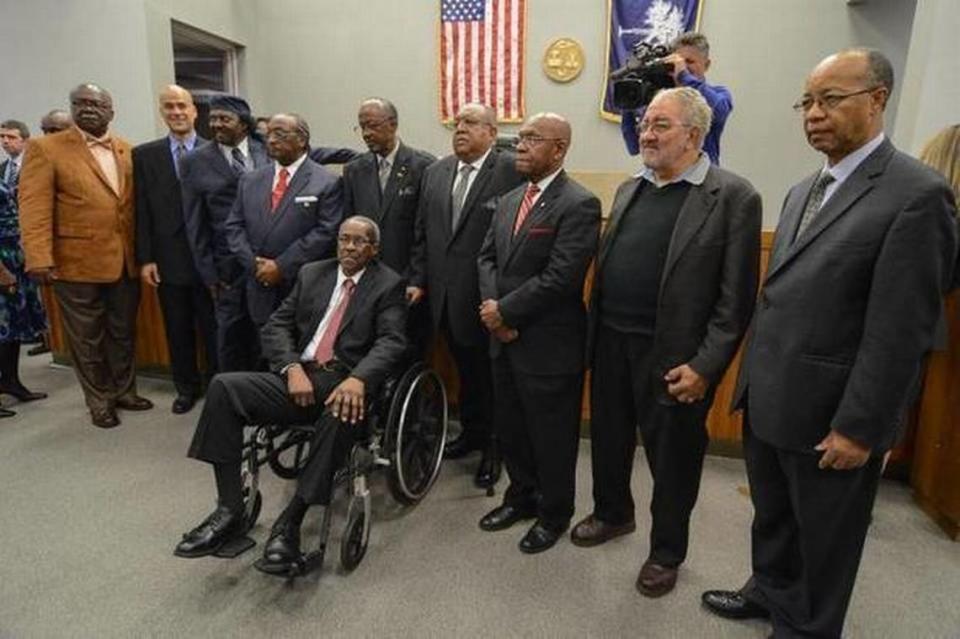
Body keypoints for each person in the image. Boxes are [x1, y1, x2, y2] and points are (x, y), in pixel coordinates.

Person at [701, 49, 959, 638]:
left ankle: (807, 628)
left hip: (833, 411)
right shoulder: (801, 189)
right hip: (772, 396)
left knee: (825, 538)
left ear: (877, 99)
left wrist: (862, 428)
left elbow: (902, 329)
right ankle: (768, 590)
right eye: (808, 102)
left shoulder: (917, 194)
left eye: (831, 99)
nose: (814, 114)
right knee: (774, 518)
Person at [571, 87, 761, 597]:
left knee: (673, 462)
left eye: (660, 126)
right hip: (611, 343)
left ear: (694, 135)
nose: (646, 134)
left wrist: (705, 366)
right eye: (646, 123)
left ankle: (666, 552)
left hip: (675, 359)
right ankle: (613, 514)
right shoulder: (632, 188)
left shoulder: (733, 197)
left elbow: (735, 300)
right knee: (608, 442)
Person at [174, 216, 407, 572]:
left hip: (344, 382)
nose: (348, 247)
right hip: (298, 377)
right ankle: (229, 510)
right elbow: (277, 325)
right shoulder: (313, 273)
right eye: (344, 239)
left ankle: (290, 523)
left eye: (359, 242)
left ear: (374, 249)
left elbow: (392, 341)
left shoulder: (388, 284)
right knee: (223, 388)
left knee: (340, 411)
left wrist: (359, 379)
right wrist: (292, 367)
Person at [476, 113, 601, 554]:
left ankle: (554, 513)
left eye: (532, 139)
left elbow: (562, 277)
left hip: (548, 343)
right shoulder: (509, 199)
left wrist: (506, 313)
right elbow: (486, 260)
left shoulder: (579, 203)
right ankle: (521, 497)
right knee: (511, 429)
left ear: (559, 149)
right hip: (502, 339)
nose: (520, 146)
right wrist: (495, 313)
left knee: (551, 436)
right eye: (520, 138)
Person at [19, 83, 153, 429]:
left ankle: (125, 390)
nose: (89, 109)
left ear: (111, 111)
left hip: (125, 260)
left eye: (97, 103)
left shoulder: (127, 150)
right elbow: (33, 208)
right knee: (86, 338)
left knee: (123, 332)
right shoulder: (46, 149)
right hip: (74, 263)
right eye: (81, 103)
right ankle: (100, 401)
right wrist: (38, 258)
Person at [409, 102, 524, 489]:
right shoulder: (436, 172)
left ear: (492, 133)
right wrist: (418, 279)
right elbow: (423, 235)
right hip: (442, 298)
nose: (461, 128)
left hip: (489, 299)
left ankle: (497, 448)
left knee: (493, 378)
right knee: (466, 372)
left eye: (471, 123)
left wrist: (506, 299)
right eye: (458, 122)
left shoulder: (511, 170)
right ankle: (473, 434)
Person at [223, 113, 343, 365]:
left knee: (298, 357)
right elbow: (234, 226)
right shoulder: (251, 180)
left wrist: (281, 266)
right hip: (258, 283)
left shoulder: (327, 181)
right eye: (268, 134)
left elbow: (326, 232)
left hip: (301, 285)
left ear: (302, 140)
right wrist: (254, 264)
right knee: (260, 353)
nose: (272, 140)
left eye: (280, 134)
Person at [134, 85, 218, 414]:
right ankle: (185, 388)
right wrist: (146, 258)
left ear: (195, 111)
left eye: (182, 106)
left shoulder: (215, 151)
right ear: (162, 112)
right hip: (168, 259)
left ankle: (217, 386)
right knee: (177, 327)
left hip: (209, 260)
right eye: (169, 107)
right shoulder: (145, 155)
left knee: (213, 328)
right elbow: (141, 209)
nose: (177, 112)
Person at [180, 94, 269, 372]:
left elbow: (312, 154)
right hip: (226, 268)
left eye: (224, 119)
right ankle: (230, 396)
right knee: (230, 334)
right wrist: (209, 273)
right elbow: (194, 221)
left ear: (243, 124)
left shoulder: (266, 148)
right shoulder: (195, 161)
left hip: (267, 263)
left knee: (267, 333)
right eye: (213, 118)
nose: (216, 124)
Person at [342, 98, 435, 348]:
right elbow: (348, 226)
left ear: (392, 125)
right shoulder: (354, 170)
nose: (366, 133)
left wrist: (417, 279)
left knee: (406, 347)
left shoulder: (424, 166)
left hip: (406, 279)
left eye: (372, 125)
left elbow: (426, 230)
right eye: (361, 127)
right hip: (366, 279)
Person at [620, 32, 732, 165]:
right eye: (679, 61)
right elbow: (633, 148)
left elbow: (718, 110)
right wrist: (627, 104)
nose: (683, 66)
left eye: (690, 62)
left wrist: (683, 76)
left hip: (701, 181)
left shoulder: (719, 94)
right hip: (661, 178)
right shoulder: (661, 100)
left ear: (706, 65)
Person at [0, 181, 47, 417]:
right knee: (1, 329)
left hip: (13, 256)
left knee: (14, 329)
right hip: (2, 263)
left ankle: (11, 381)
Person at [1, 120, 29, 191]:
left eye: (11, 137)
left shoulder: (36, 165)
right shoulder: (2, 167)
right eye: (2, 136)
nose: (5, 141)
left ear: (25, 141)